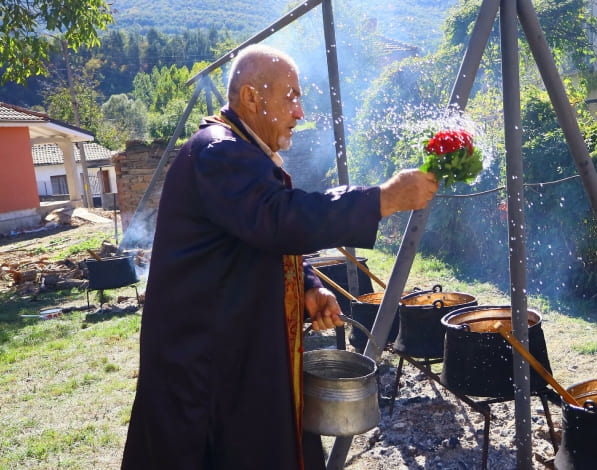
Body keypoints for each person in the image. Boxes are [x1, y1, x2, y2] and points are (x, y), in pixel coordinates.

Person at [121, 44, 438, 470]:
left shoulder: (239, 152)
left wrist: (307, 285)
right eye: (290, 95)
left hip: (239, 350)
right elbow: (277, 218)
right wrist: (382, 199)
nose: (300, 112)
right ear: (251, 97)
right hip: (207, 367)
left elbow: (256, 237)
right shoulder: (219, 152)